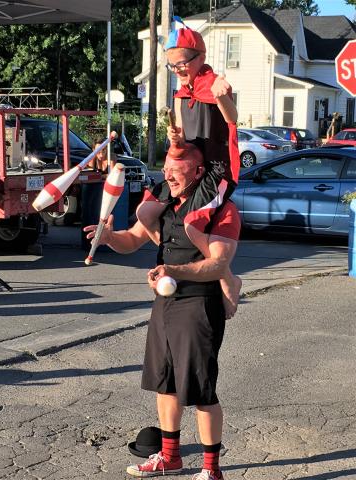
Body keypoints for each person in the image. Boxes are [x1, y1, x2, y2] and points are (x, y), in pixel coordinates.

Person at [84, 143, 241, 480]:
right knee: (165, 384)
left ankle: (212, 470)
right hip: (165, 303)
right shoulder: (165, 205)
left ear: (198, 172)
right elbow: (132, 239)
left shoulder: (222, 211)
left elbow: (217, 265)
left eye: (176, 167)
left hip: (200, 304)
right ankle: (171, 457)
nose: (167, 174)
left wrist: (173, 270)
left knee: (201, 390)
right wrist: (110, 236)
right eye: (166, 166)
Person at [136, 22, 241, 319]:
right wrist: (175, 138)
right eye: (172, 66)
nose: (178, 69)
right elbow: (181, 134)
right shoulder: (181, 95)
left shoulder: (215, 84)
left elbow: (232, 119)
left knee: (193, 224)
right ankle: (196, 258)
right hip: (188, 167)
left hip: (217, 170)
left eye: (182, 63)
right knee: (145, 214)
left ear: (200, 57)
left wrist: (222, 95)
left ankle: (226, 277)